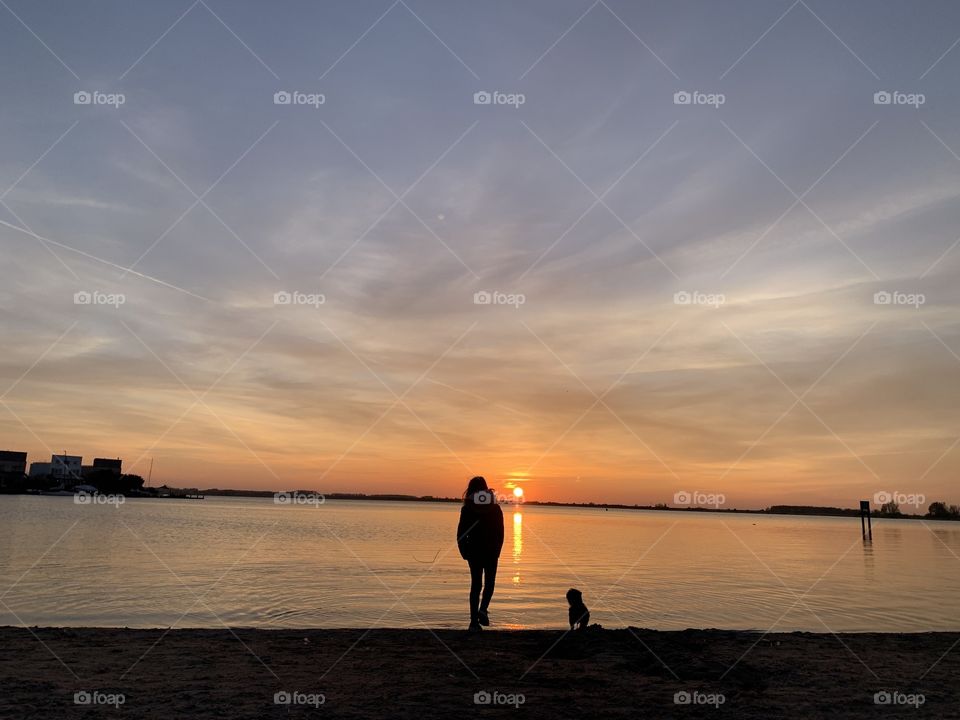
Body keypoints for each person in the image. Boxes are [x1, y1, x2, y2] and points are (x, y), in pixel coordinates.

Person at [456, 476, 504, 631]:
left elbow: (461, 533)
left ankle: (473, 622)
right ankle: (483, 609)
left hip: (474, 551)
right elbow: (500, 533)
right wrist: (497, 550)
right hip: (491, 551)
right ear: (485, 488)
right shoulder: (495, 508)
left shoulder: (467, 509)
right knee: (489, 583)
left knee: (476, 585)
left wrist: (464, 551)